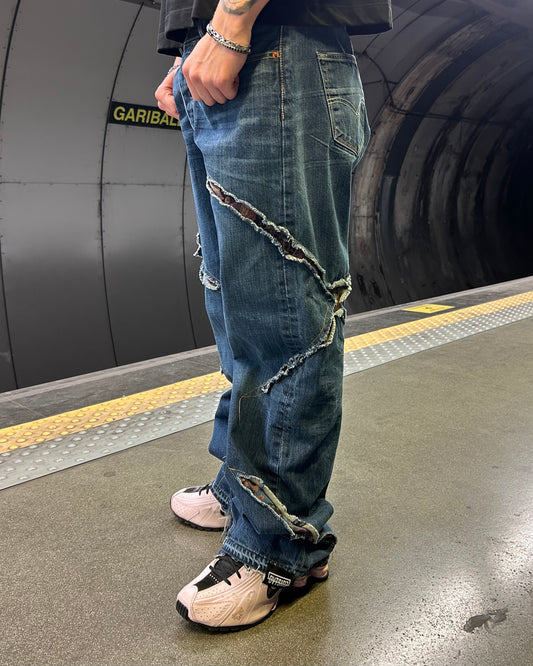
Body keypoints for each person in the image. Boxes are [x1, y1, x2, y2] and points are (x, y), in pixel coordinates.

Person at [155, 0, 392, 632]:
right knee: (236, 299)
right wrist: (188, 45)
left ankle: (281, 542)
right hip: (227, 52)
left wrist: (231, 19)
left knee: (283, 317)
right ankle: (245, 487)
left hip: (277, 45)